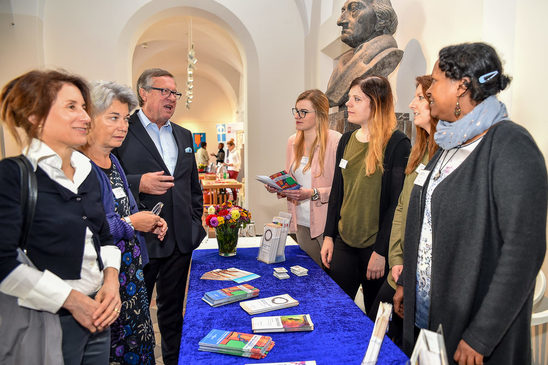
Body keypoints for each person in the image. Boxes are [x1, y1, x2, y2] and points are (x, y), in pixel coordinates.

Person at [394, 43, 547, 364]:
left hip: (475, 331)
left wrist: (481, 336)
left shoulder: (510, 145)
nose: (429, 90)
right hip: (428, 315)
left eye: (434, 82)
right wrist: (409, 283)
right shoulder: (450, 143)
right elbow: (426, 226)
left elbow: (523, 250)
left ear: (462, 86)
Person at [0, 70, 121, 364]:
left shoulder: (87, 171)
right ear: (35, 117)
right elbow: (3, 263)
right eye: (71, 107)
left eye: (83, 107)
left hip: (98, 313)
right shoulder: (14, 175)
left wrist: (111, 280)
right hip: (46, 320)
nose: (85, 117)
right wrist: (72, 300)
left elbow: (104, 235)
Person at [113, 68, 206, 365]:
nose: (171, 98)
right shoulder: (124, 130)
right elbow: (106, 175)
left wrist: (195, 224)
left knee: (172, 314)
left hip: (179, 240)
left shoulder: (183, 134)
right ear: (143, 92)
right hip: (141, 240)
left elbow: (193, 186)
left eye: (174, 93)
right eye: (163, 91)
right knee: (135, 315)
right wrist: (139, 182)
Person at [82, 81, 169, 364]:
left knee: (141, 346)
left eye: (125, 119)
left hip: (131, 276)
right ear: (89, 119)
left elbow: (128, 207)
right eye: (113, 118)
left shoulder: (113, 161)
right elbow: (94, 226)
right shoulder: (80, 167)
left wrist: (150, 221)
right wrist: (133, 222)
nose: (123, 126)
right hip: (103, 283)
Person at [321, 75, 410, 320]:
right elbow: (337, 192)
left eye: (356, 99)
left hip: (375, 249)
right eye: (349, 98)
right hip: (344, 243)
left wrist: (381, 252)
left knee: (373, 322)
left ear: (376, 104)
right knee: (334, 314)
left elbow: (396, 204)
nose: (348, 104)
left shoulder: (397, 144)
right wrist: (329, 236)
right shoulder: (347, 140)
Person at [371, 75, 438, 345]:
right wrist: (396, 258)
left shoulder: (445, 154)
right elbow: (402, 207)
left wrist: (406, 269)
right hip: (399, 268)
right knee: (377, 323)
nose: (411, 104)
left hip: (419, 277)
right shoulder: (419, 150)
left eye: (420, 98)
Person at [264, 89, 341, 267]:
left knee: (331, 279)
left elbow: (342, 189)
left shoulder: (335, 141)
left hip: (326, 223)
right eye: (296, 111)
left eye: (303, 112)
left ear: (320, 114)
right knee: (311, 274)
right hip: (301, 222)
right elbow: (292, 180)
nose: (297, 116)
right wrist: (279, 187)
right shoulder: (293, 141)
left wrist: (313, 193)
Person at [326, 0, 403, 108]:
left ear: (381, 18)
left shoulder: (385, 53)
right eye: (343, 11)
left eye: (354, 9)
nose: (340, 21)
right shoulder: (344, 61)